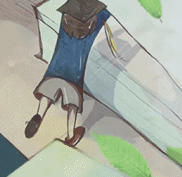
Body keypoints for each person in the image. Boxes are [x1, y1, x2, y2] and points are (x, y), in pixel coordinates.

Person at [25, 0, 121, 147]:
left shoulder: (66, 14)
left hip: (54, 71)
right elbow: (107, 13)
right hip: (74, 78)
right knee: (72, 106)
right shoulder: (97, 19)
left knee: (47, 94)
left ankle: (39, 115)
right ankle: (70, 135)